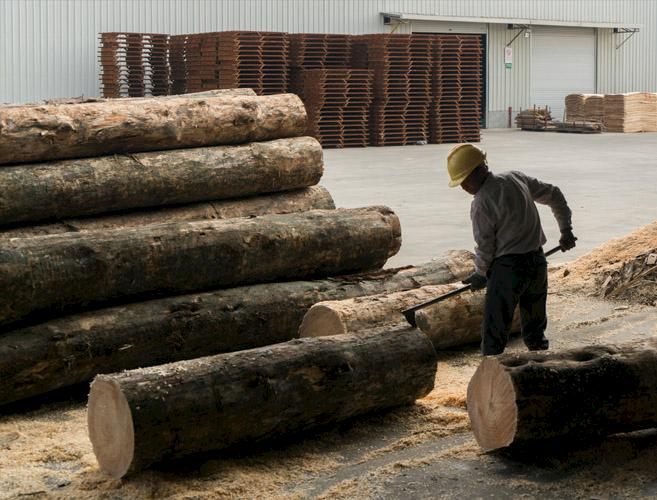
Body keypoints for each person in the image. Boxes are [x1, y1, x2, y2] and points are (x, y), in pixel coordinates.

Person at [447, 143, 576, 355]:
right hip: (537, 263)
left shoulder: (481, 203)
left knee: (495, 328)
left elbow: (485, 246)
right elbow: (554, 194)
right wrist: (566, 230)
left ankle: (490, 371)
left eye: (463, 181)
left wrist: (480, 273)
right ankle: (542, 365)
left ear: (478, 170)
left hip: (508, 269)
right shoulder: (516, 178)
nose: (463, 187)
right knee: (535, 327)